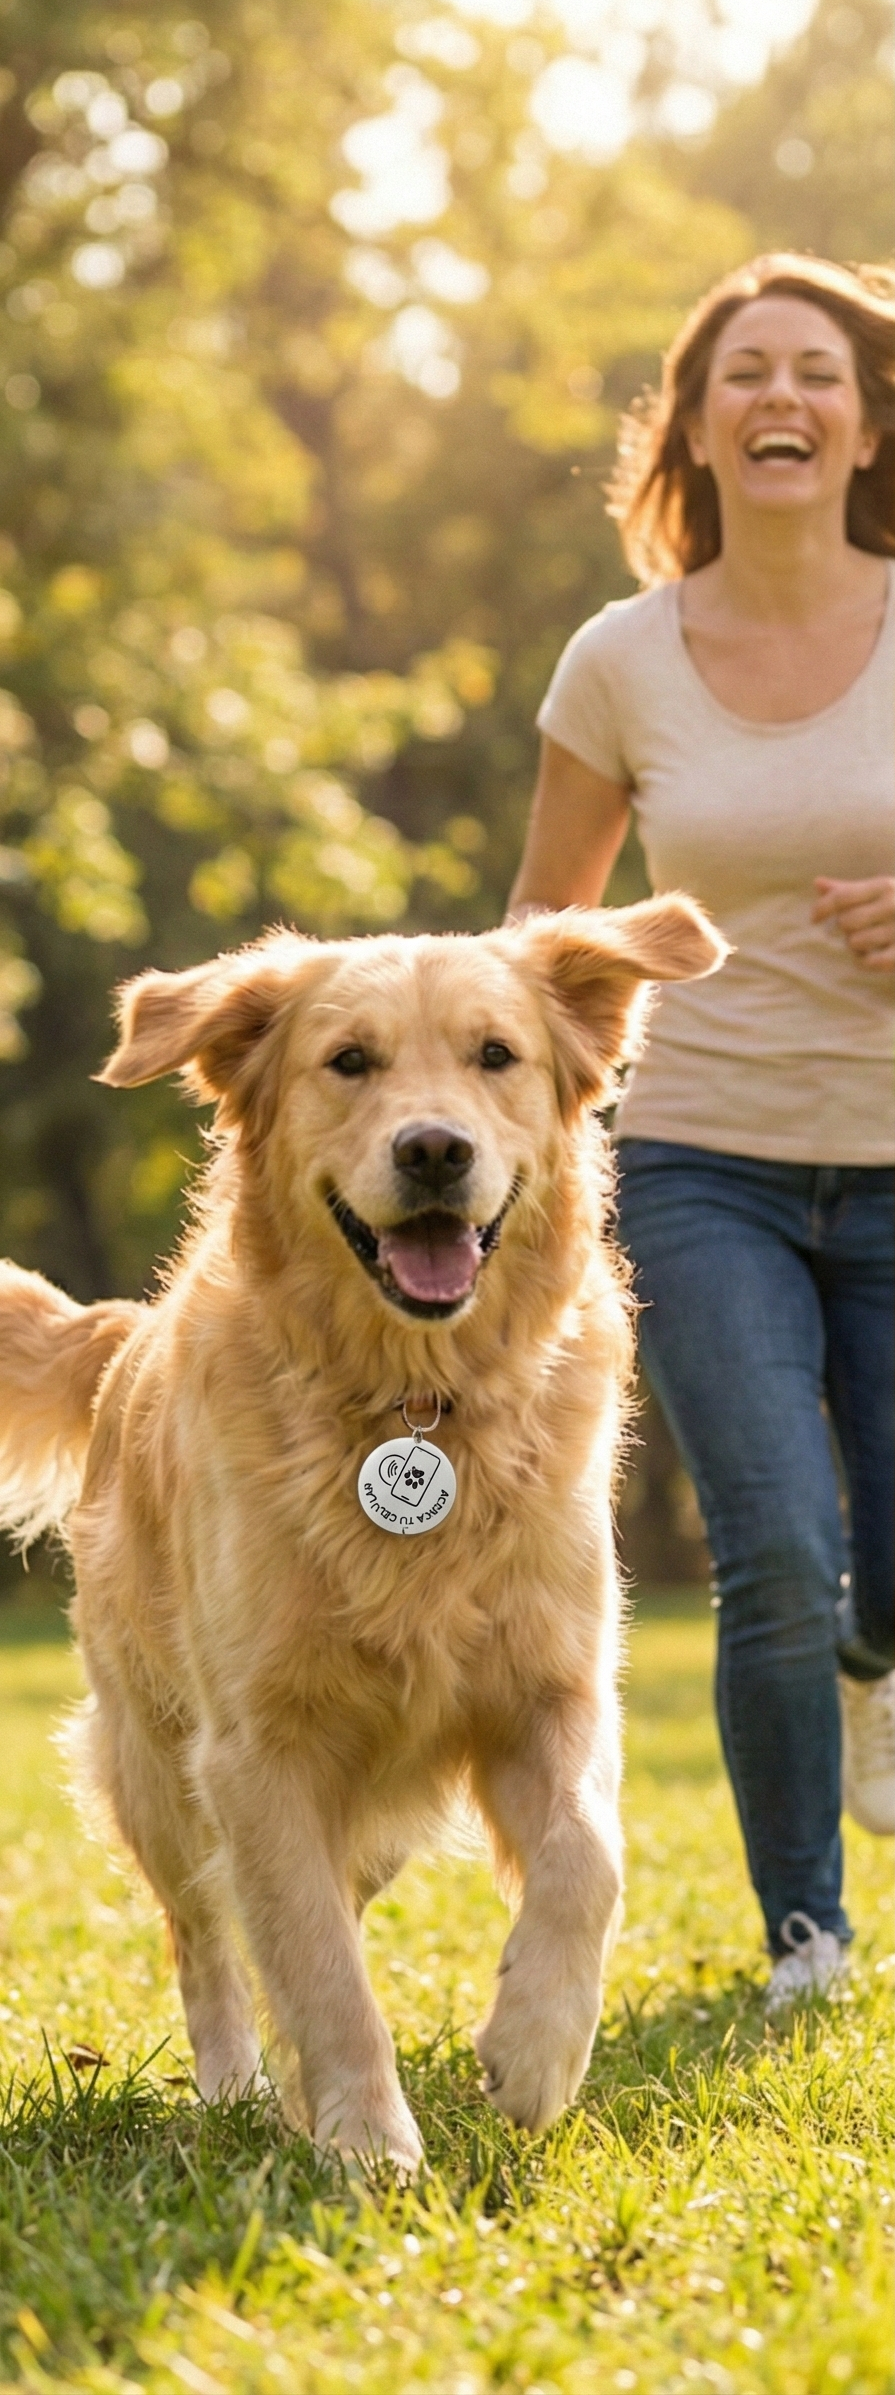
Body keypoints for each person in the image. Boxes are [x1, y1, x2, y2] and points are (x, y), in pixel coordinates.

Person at [508, 254, 895, 2013]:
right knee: (762, 1541)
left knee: (877, 1563)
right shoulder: (618, 662)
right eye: (743, 372)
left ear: (867, 417)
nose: (780, 399)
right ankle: (803, 1933)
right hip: (696, 1155)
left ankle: (875, 1661)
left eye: (815, 370)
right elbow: (541, 934)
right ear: (693, 424)